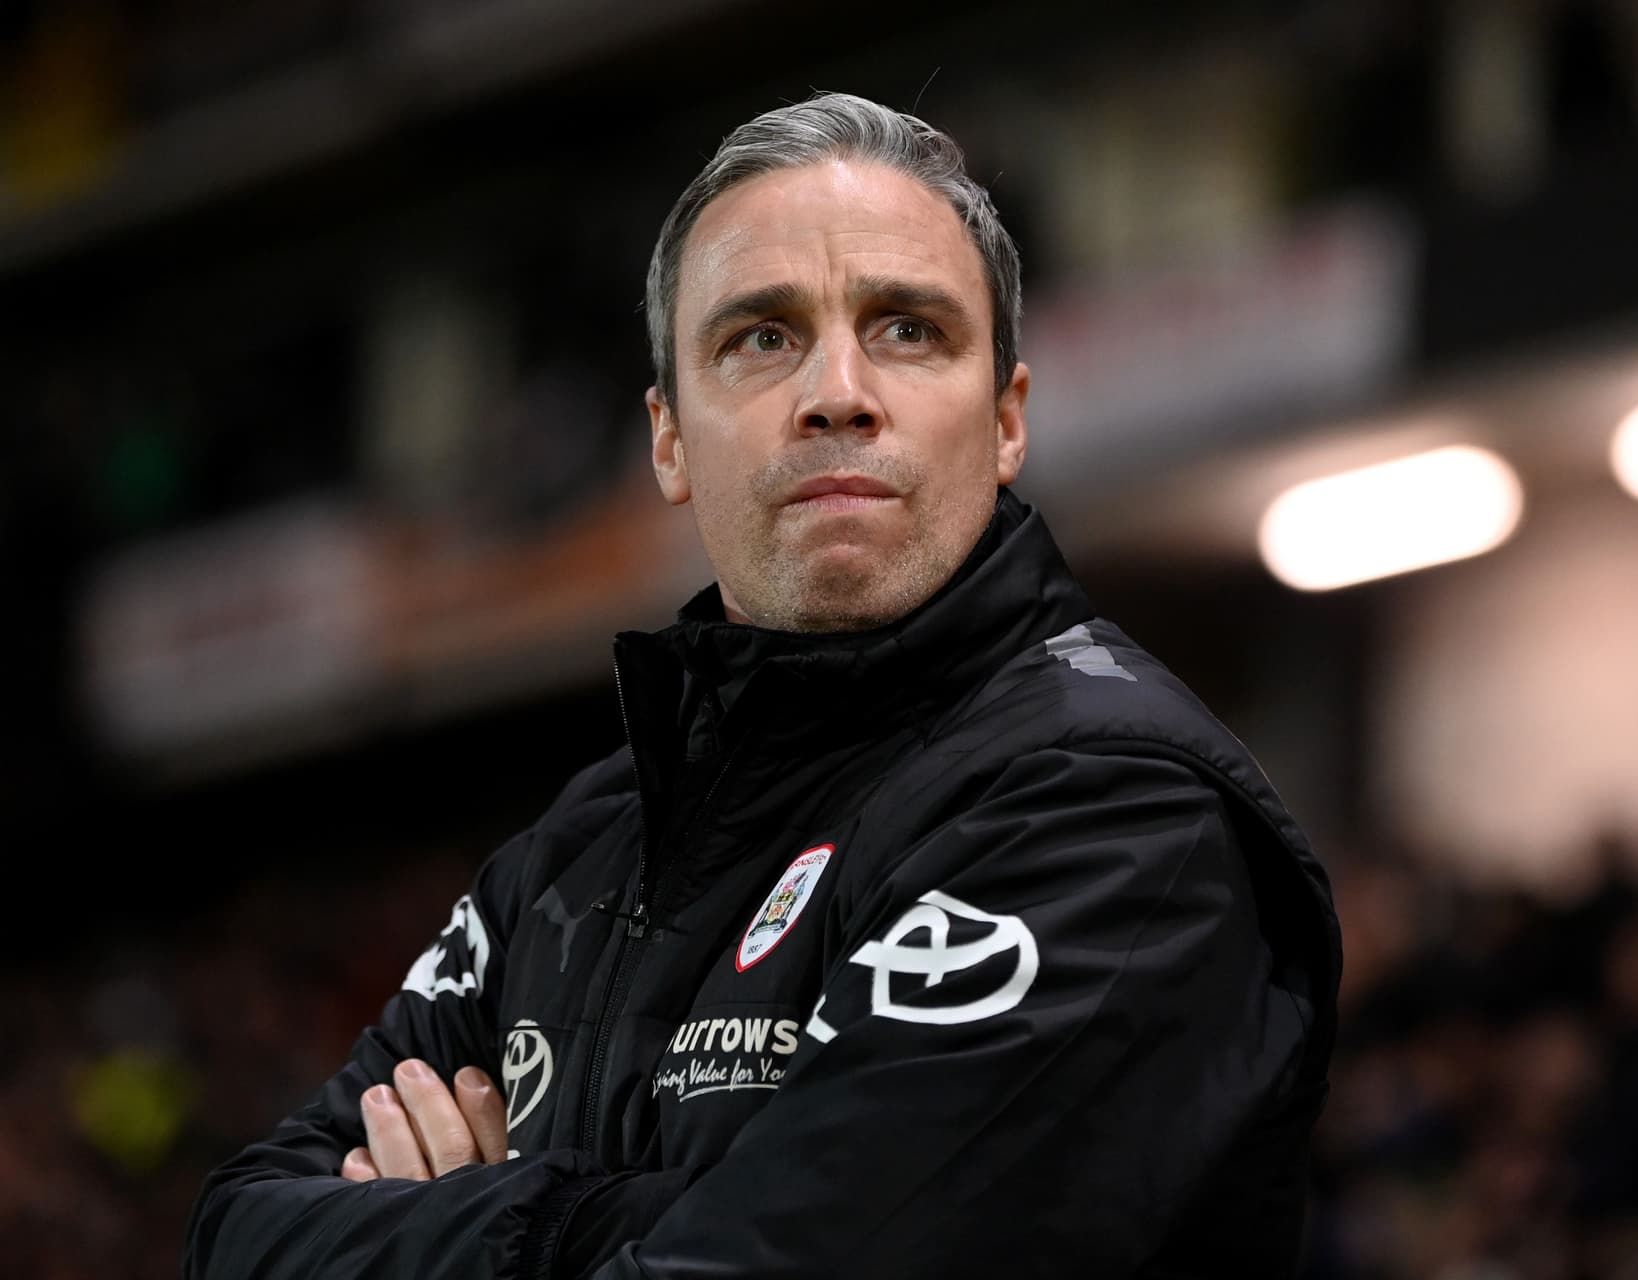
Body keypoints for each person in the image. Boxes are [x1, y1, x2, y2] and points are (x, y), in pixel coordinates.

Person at [182, 91, 1341, 1279]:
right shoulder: (573, 855)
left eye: (907, 330)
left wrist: (489, 1213)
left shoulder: (1113, 805)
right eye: (761, 337)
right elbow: (236, 1234)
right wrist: (636, 1216)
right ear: (670, 439)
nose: (837, 391)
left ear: (1005, 419)